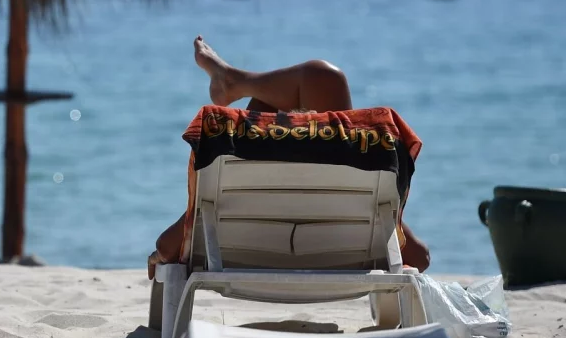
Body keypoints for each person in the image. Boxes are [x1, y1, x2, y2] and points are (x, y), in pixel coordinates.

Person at [148, 36, 431, 278]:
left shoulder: (235, 186)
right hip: (341, 262)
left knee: (318, 80)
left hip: (247, 262)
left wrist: (160, 253)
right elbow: (420, 258)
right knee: (324, 78)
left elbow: (168, 247)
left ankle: (234, 82)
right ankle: (234, 81)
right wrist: (386, 211)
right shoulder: (355, 191)